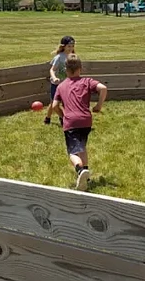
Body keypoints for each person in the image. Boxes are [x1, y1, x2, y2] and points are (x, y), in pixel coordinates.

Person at [51, 54, 108, 191]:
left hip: (71, 122)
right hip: (86, 121)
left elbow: (54, 107)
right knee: (81, 146)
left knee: (73, 152)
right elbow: (103, 88)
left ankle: (80, 169)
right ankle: (86, 175)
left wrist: (63, 116)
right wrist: (99, 106)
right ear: (80, 69)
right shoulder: (87, 81)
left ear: (66, 70)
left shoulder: (61, 86)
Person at [45, 36, 75, 126]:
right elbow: (52, 70)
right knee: (53, 104)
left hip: (67, 84)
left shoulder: (73, 57)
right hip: (56, 85)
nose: (71, 48)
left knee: (67, 103)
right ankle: (48, 118)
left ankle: (63, 118)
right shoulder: (59, 57)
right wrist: (54, 77)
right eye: (69, 46)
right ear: (63, 46)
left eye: (72, 46)